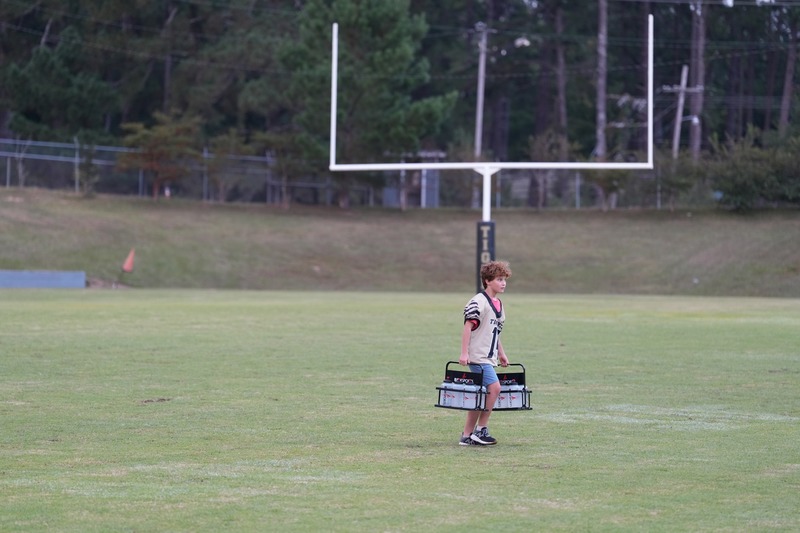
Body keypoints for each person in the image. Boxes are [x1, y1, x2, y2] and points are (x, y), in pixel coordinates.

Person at [458, 260, 512, 446]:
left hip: (489, 357)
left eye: (504, 279)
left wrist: (501, 353)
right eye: (499, 279)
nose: (503, 283)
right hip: (478, 357)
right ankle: (481, 430)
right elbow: (467, 326)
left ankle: (466, 436)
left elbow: (494, 332)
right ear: (487, 281)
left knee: (480, 395)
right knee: (494, 388)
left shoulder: (499, 304)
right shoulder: (479, 301)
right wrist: (464, 353)